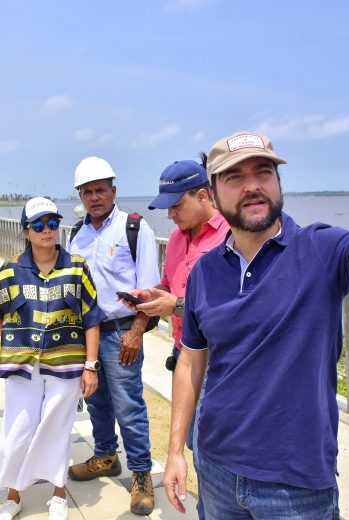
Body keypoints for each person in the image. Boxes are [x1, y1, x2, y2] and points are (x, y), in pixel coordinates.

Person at [163, 125, 349, 519]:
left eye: (263, 172)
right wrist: (174, 452)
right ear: (214, 193)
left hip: (296, 484)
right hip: (216, 468)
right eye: (234, 177)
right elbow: (191, 360)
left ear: (278, 181)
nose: (252, 185)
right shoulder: (205, 270)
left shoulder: (320, 250)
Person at [0, 197, 105, 520]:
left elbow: (91, 319)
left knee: (57, 428)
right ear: (26, 231)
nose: (47, 231)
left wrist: (91, 365)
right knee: (17, 430)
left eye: (52, 223)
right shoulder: (10, 270)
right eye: (38, 225)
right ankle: (13, 496)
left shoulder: (77, 267)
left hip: (67, 364)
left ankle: (58, 494)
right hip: (22, 364)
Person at [124, 157, 229, 520]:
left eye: (176, 205)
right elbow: (172, 286)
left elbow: (237, 305)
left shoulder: (233, 235)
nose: (169, 215)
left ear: (203, 195)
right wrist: (151, 296)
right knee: (192, 439)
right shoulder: (180, 239)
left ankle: (215, 508)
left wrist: (177, 305)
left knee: (209, 444)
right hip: (185, 352)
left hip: (222, 359)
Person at [66, 157, 161, 516]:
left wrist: (137, 332)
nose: (94, 197)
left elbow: (149, 291)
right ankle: (106, 456)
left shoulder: (134, 228)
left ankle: (141, 475)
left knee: (129, 406)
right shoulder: (78, 233)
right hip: (86, 333)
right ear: (81, 195)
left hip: (122, 333)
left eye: (100, 190)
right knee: (96, 401)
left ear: (113, 191)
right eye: (87, 191)